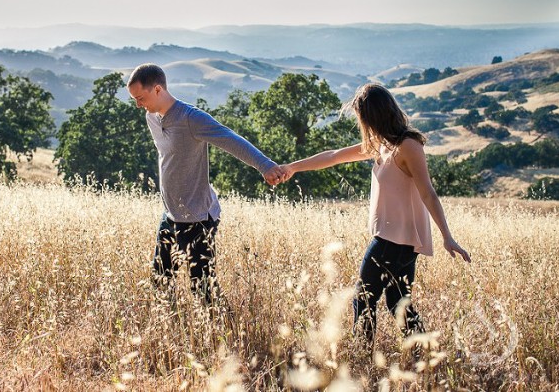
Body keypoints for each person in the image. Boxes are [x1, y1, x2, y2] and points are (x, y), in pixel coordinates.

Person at [278, 83, 471, 351]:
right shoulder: (381, 144)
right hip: (397, 239)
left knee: (364, 297)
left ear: (372, 116)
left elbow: (428, 193)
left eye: (361, 117)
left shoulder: (407, 146)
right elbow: (334, 156)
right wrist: (292, 168)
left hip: (395, 240)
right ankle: (423, 354)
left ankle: (362, 354)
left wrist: (447, 237)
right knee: (397, 302)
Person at [127, 63, 286, 305]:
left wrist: (266, 166)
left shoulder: (191, 118)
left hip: (198, 218)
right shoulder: (152, 117)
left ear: (158, 89)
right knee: (160, 281)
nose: (138, 105)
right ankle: (172, 325)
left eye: (141, 98)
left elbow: (231, 139)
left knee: (203, 290)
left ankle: (225, 326)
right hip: (170, 215)